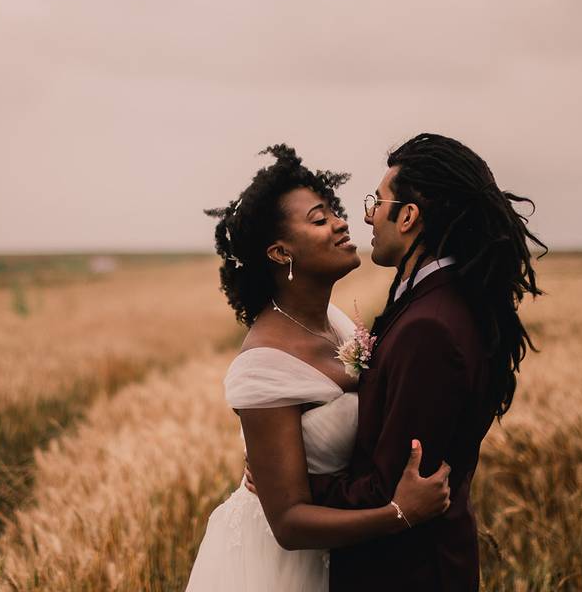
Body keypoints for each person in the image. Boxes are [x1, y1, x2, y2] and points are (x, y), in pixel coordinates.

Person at [248, 133, 547, 590]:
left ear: (408, 216)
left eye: (377, 201)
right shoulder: (435, 303)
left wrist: (288, 487)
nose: (365, 215)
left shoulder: (430, 326)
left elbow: (393, 487)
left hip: (406, 572)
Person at [184, 144, 451, 592]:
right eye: (320, 218)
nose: (344, 222)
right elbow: (288, 524)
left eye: (335, 212)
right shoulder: (263, 364)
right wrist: (401, 513)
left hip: (349, 558)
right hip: (277, 570)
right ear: (280, 252)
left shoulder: (339, 324)